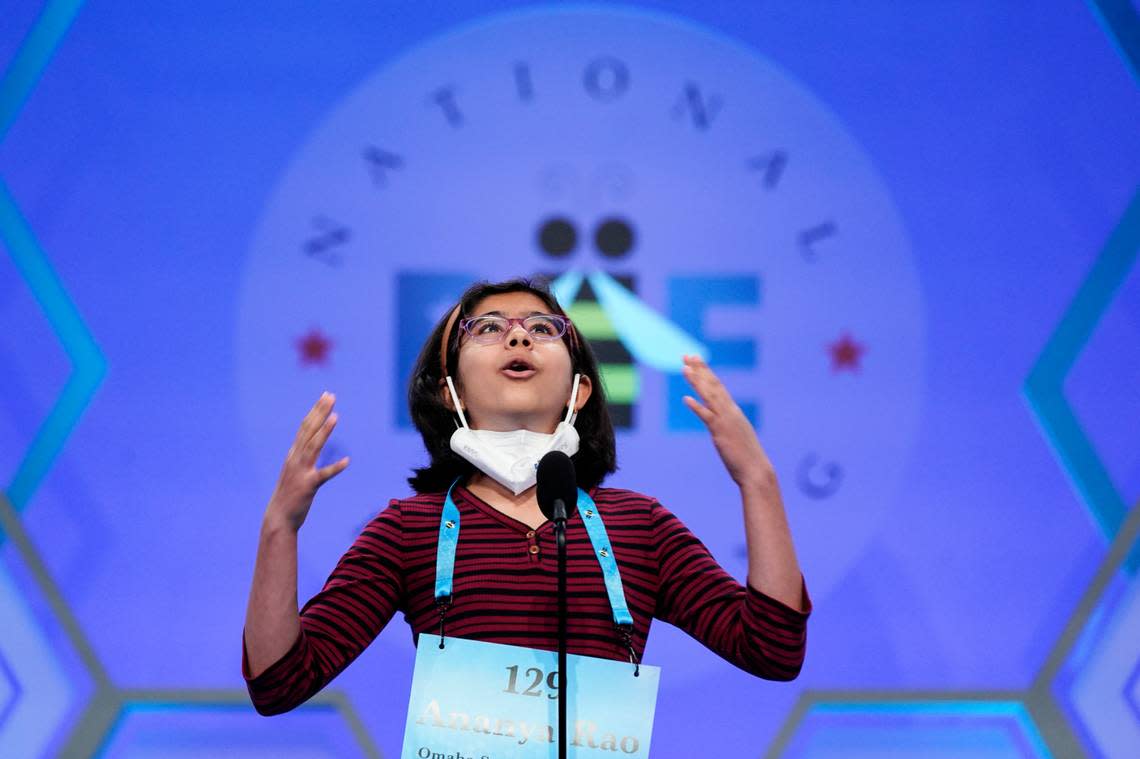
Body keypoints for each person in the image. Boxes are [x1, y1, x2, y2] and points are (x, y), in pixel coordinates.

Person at [242, 278, 811, 716]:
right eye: (487, 328)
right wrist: (278, 528)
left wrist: (757, 480)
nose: (518, 335)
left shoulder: (639, 526)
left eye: (543, 328)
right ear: (450, 390)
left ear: (580, 388)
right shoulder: (407, 530)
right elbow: (278, 683)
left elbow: (771, 649)